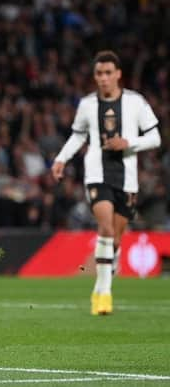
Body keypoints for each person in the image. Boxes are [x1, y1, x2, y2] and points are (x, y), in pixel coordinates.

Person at [51, 51, 161, 316]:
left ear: (118, 74)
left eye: (108, 73)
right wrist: (61, 158)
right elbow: (78, 136)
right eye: (99, 73)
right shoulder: (87, 105)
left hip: (127, 177)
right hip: (96, 173)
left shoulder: (136, 102)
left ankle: (107, 269)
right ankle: (103, 292)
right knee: (106, 227)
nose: (103, 78)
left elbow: (155, 138)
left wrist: (129, 142)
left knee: (115, 238)